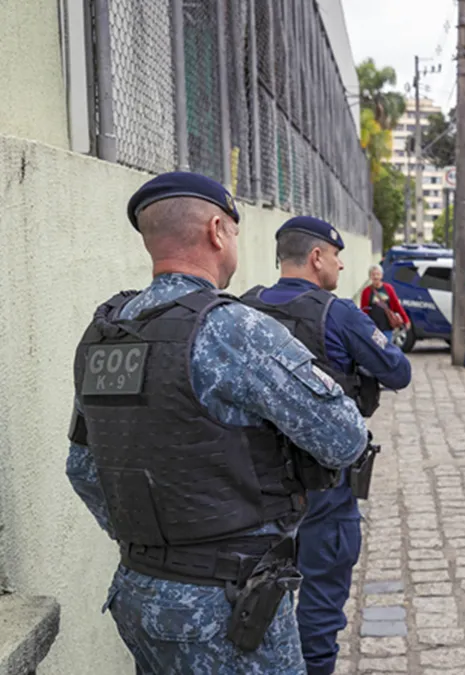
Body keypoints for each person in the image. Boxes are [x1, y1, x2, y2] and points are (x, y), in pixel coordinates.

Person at [65, 172, 368, 674]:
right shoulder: (232, 329)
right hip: (229, 606)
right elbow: (344, 439)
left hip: (138, 591)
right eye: (233, 229)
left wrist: (154, 539)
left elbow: (82, 468)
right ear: (216, 231)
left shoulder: (105, 333)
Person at [241, 217, 412, 675]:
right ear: (317, 258)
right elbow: (398, 371)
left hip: (252, 487)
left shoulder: (243, 308)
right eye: (337, 256)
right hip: (323, 487)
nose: (341, 264)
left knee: (251, 604)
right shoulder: (336, 314)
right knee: (318, 607)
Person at [360, 263, 409, 344]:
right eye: (373, 274)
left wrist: (406, 319)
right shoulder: (366, 292)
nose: (376, 277)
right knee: (377, 351)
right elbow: (363, 311)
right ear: (370, 276)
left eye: (378, 274)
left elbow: (397, 305)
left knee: (387, 350)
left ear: (382, 276)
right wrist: (363, 326)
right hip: (373, 328)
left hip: (387, 326)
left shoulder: (388, 289)